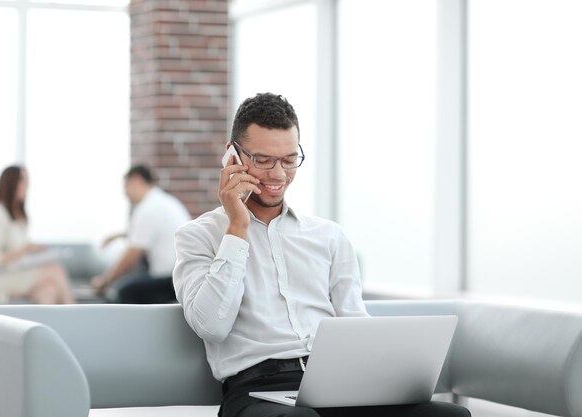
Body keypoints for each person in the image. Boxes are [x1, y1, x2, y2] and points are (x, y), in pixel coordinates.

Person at [173, 93, 471, 417]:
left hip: (338, 386)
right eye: (263, 160)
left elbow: (356, 327)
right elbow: (211, 325)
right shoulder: (198, 236)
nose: (278, 175)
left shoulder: (328, 236)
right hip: (256, 391)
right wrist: (237, 227)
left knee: (447, 416)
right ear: (232, 156)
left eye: (289, 159)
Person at [0, 165, 74, 304]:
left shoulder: (20, 217)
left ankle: (48, 325)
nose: (27, 186)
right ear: (11, 184)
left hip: (12, 272)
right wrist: (24, 250)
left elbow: (19, 255)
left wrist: (33, 252)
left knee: (49, 289)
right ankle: (78, 317)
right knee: (55, 270)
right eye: (22, 180)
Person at [91, 164, 191, 303]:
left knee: (123, 291)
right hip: (183, 275)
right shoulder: (163, 202)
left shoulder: (148, 209)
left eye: (126, 186)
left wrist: (104, 281)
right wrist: (116, 236)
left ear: (136, 180)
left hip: (170, 279)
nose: (125, 193)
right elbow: (143, 234)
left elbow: (132, 255)